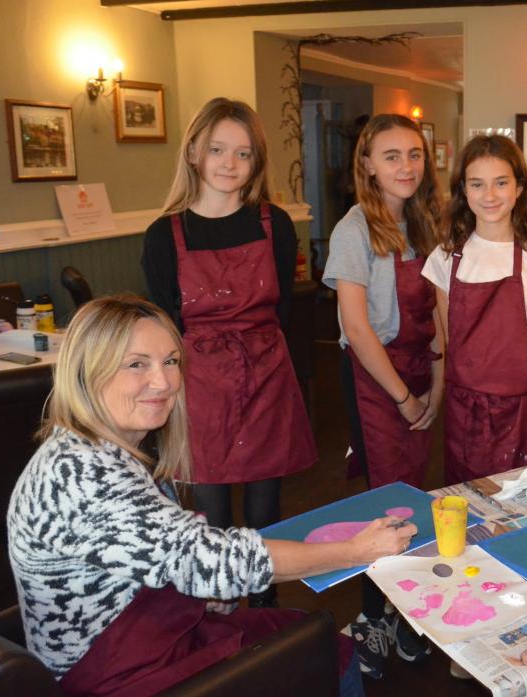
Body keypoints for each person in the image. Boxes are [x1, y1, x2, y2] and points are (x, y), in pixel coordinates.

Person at [6, 295, 415, 697]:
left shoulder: (97, 450)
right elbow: (216, 560)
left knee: (305, 630)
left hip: (140, 628)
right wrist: (355, 551)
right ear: (86, 373)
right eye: (136, 364)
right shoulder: (80, 474)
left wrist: (200, 593)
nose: (164, 382)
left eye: (171, 361)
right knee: (326, 648)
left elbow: (153, 555)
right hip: (113, 674)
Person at [141, 98, 316, 608]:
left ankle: (265, 614)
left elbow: (281, 306)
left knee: (267, 506)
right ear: (194, 151)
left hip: (267, 372)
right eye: (218, 149)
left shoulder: (274, 224)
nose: (228, 164)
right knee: (212, 510)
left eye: (242, 153)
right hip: (201, 381)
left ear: (256, 162)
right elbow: (165, 328)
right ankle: (219, 612)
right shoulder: (163, 235)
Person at [322, 113, 443, 678]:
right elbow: (357, 326)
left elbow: (437, 311)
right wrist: (402, 398)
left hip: (420, 372)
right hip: (376, 379)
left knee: (415, 497)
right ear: (367, 164)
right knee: (381, 502)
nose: (406, 166)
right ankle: (372, 616)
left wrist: (437, 384)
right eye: (391, 155)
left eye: (414, 154)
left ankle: (404, 611)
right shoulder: (354, 229)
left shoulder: (424, 222)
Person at [423, 135, 527, 484]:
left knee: (522, 497)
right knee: (469, 497)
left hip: (522, 407)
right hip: (464, 409)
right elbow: (448, 337)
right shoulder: (445, 259)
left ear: (519, 187)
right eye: (478, 184)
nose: (489, 195)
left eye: (501, 183)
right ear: (464, 190)